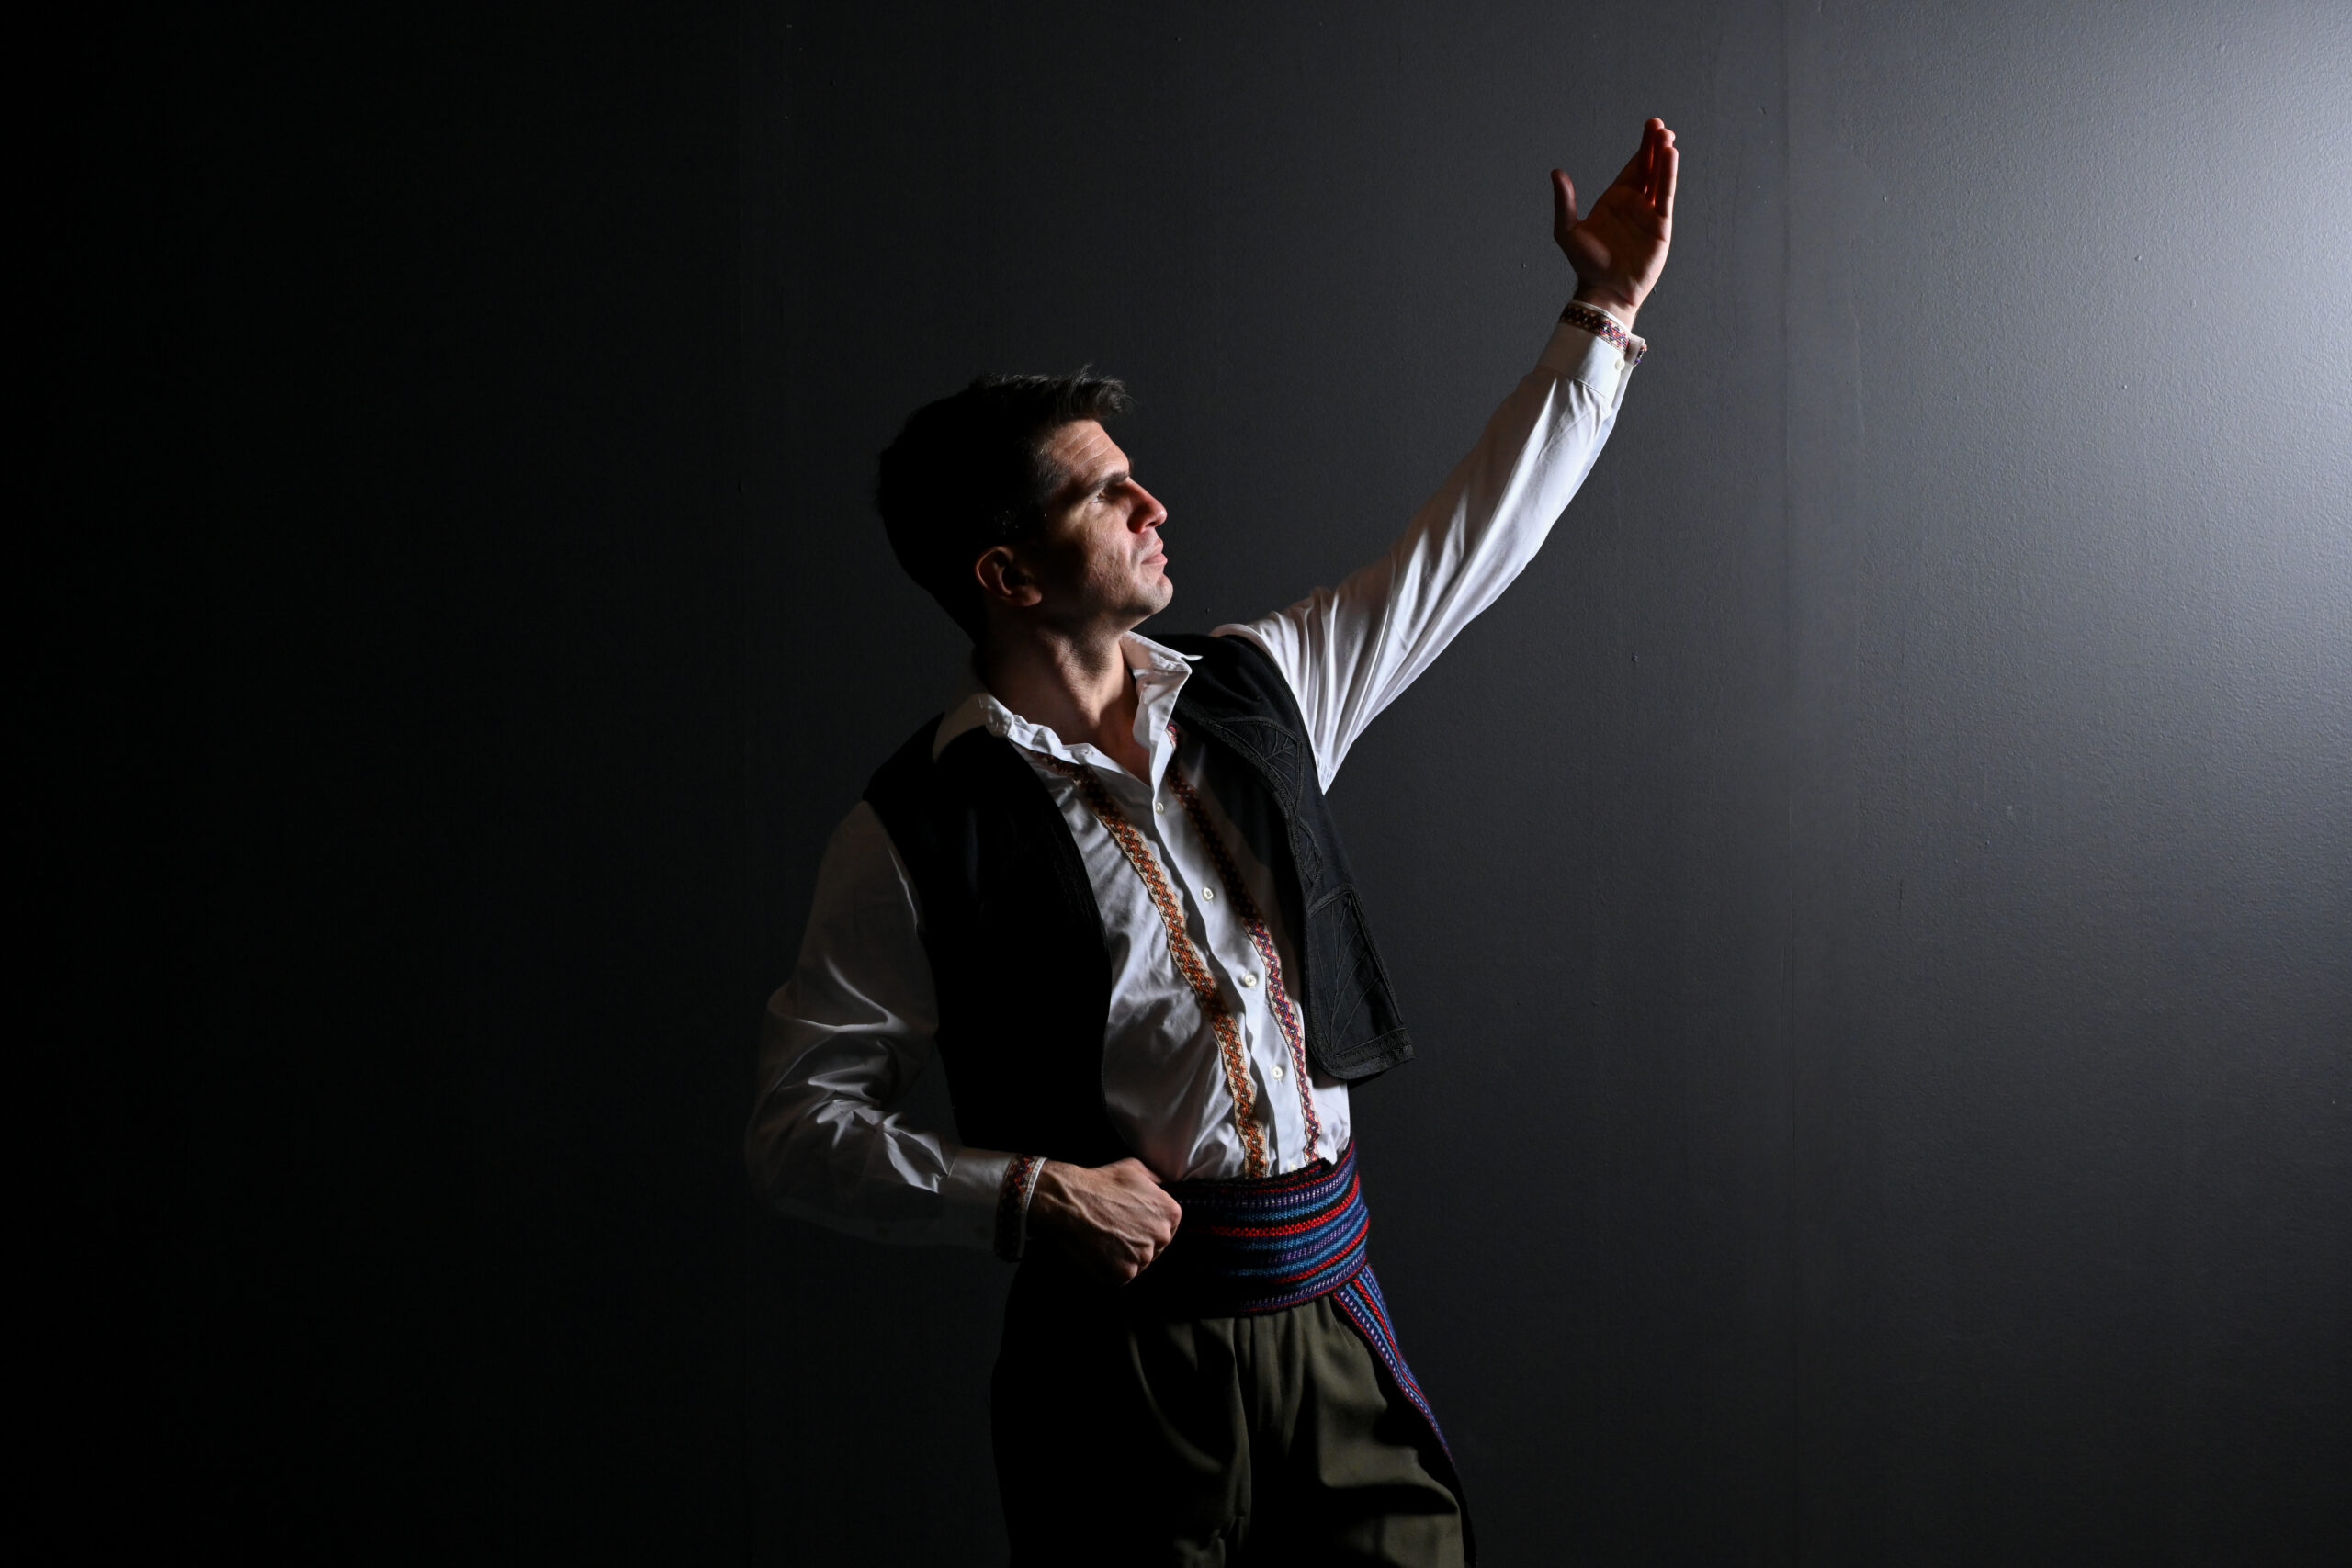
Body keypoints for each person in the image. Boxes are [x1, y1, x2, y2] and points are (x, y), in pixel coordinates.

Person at [748, 118, 1679, 1566]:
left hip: (1328, 1318)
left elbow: (1468, 545)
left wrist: (1602, 318)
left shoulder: (1264, 687)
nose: (1152, 503)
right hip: (1121, 1371)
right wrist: (1029, 1195)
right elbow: (798, 1132)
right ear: (1007, 573)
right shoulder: (916, 833)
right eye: (1104, 492)